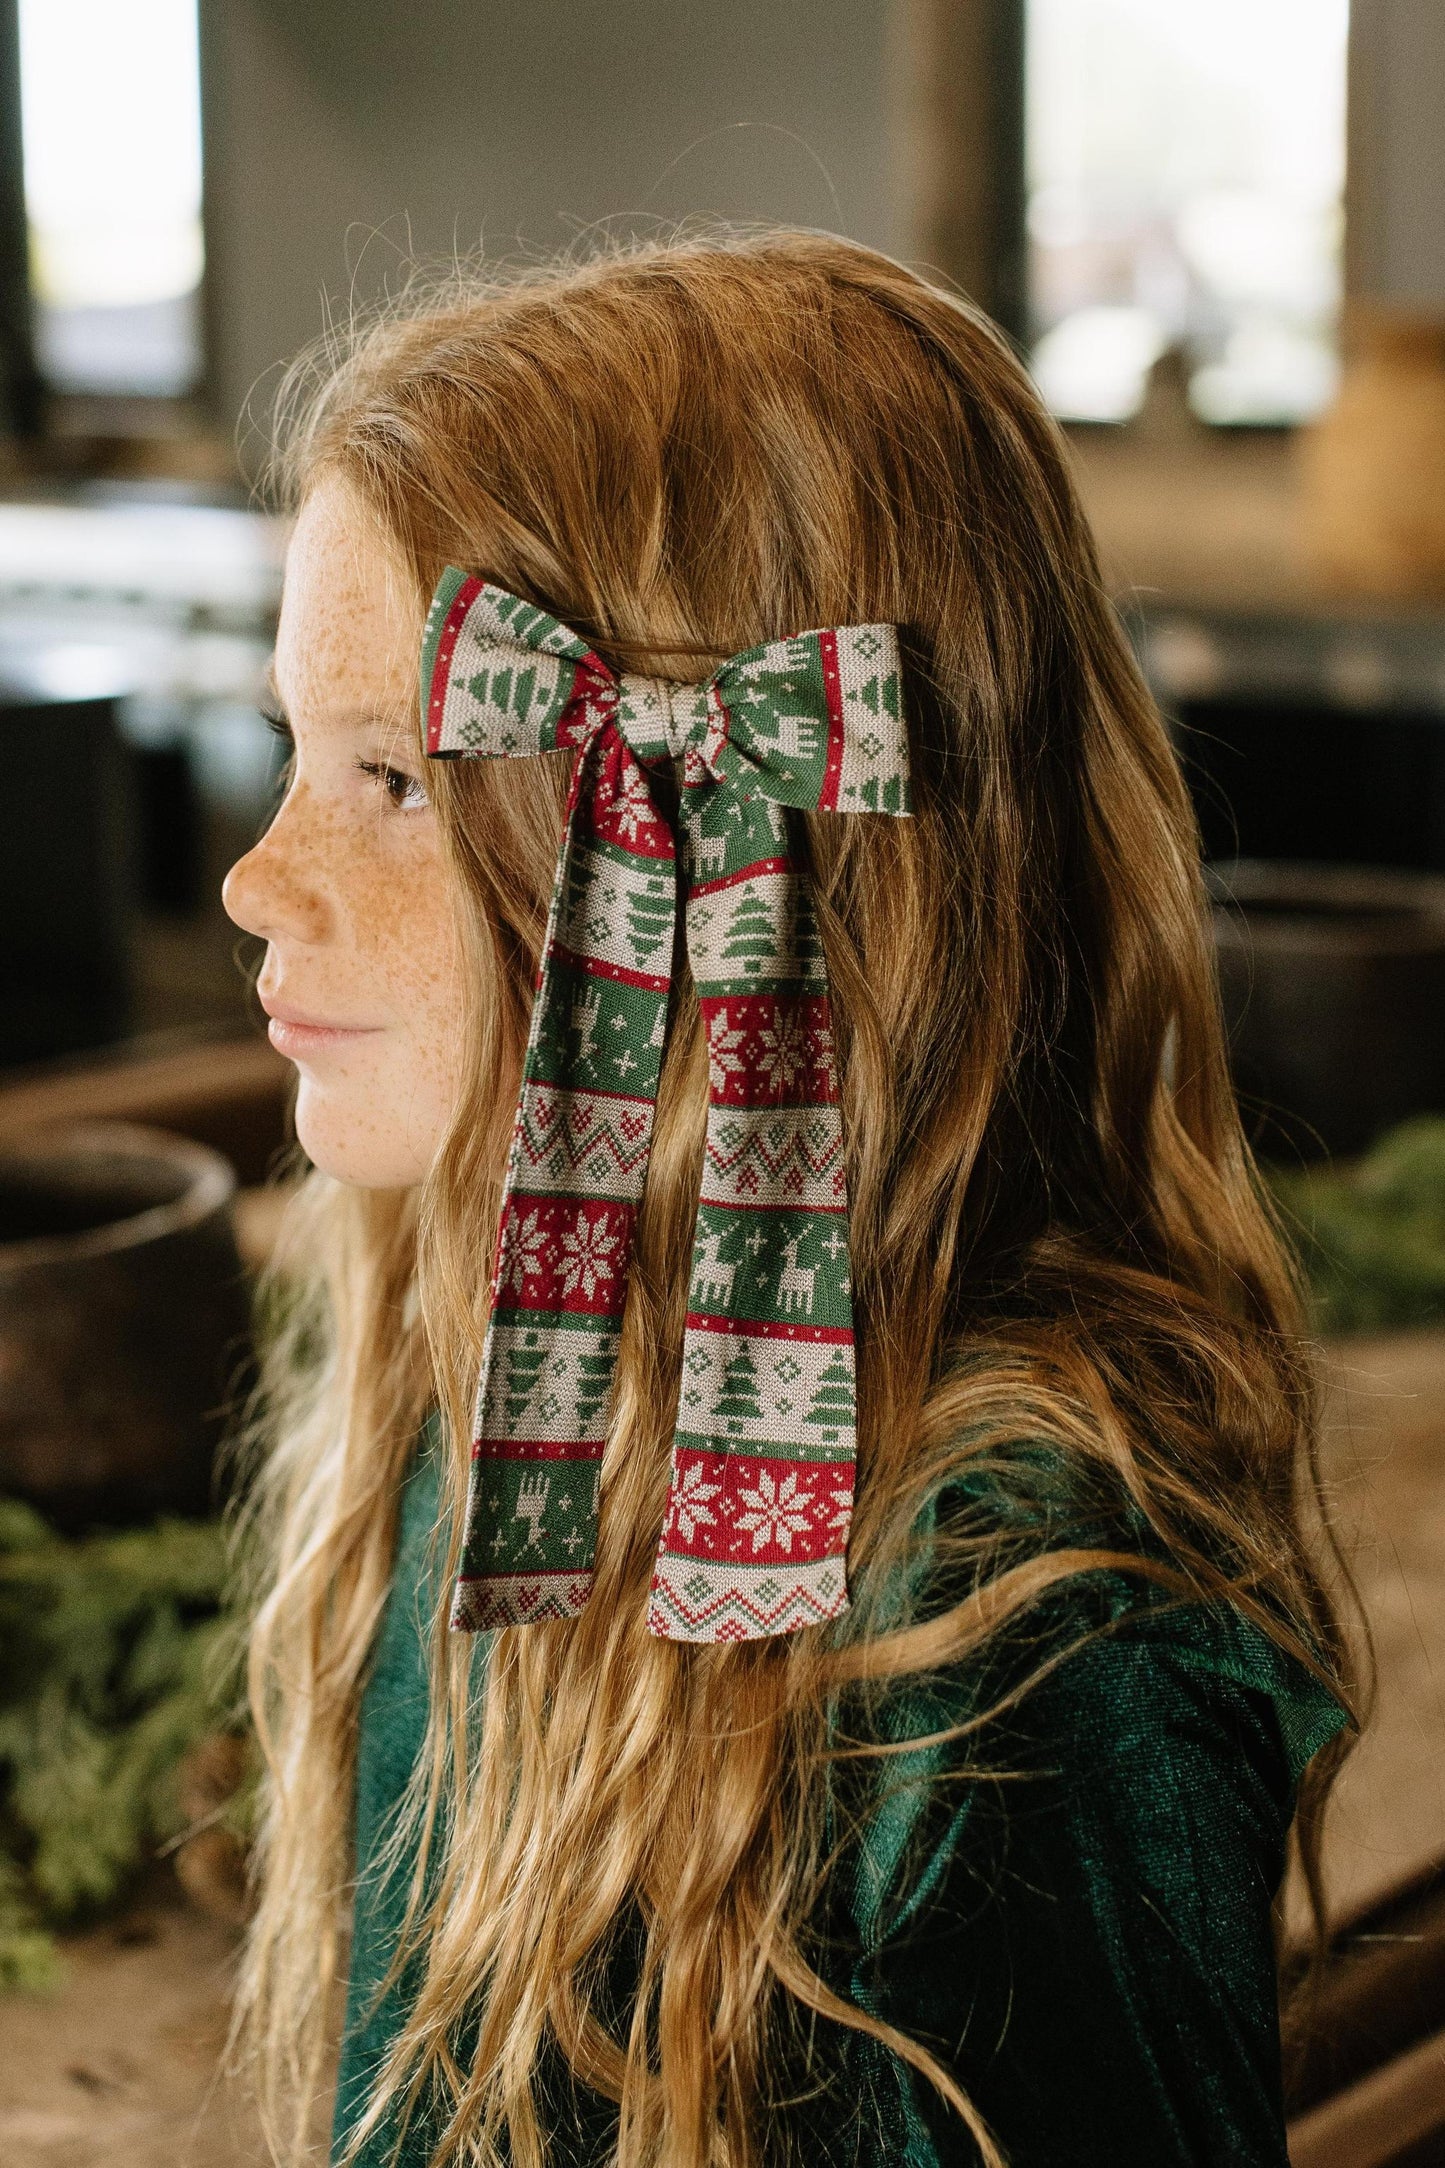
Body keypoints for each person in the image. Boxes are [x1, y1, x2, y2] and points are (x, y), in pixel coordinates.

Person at [222, 233, 1353, 2168]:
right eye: (289, 757)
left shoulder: (1032, 1657)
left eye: (397, 781)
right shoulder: (490, 1386)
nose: (258, 879)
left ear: (739, 862)